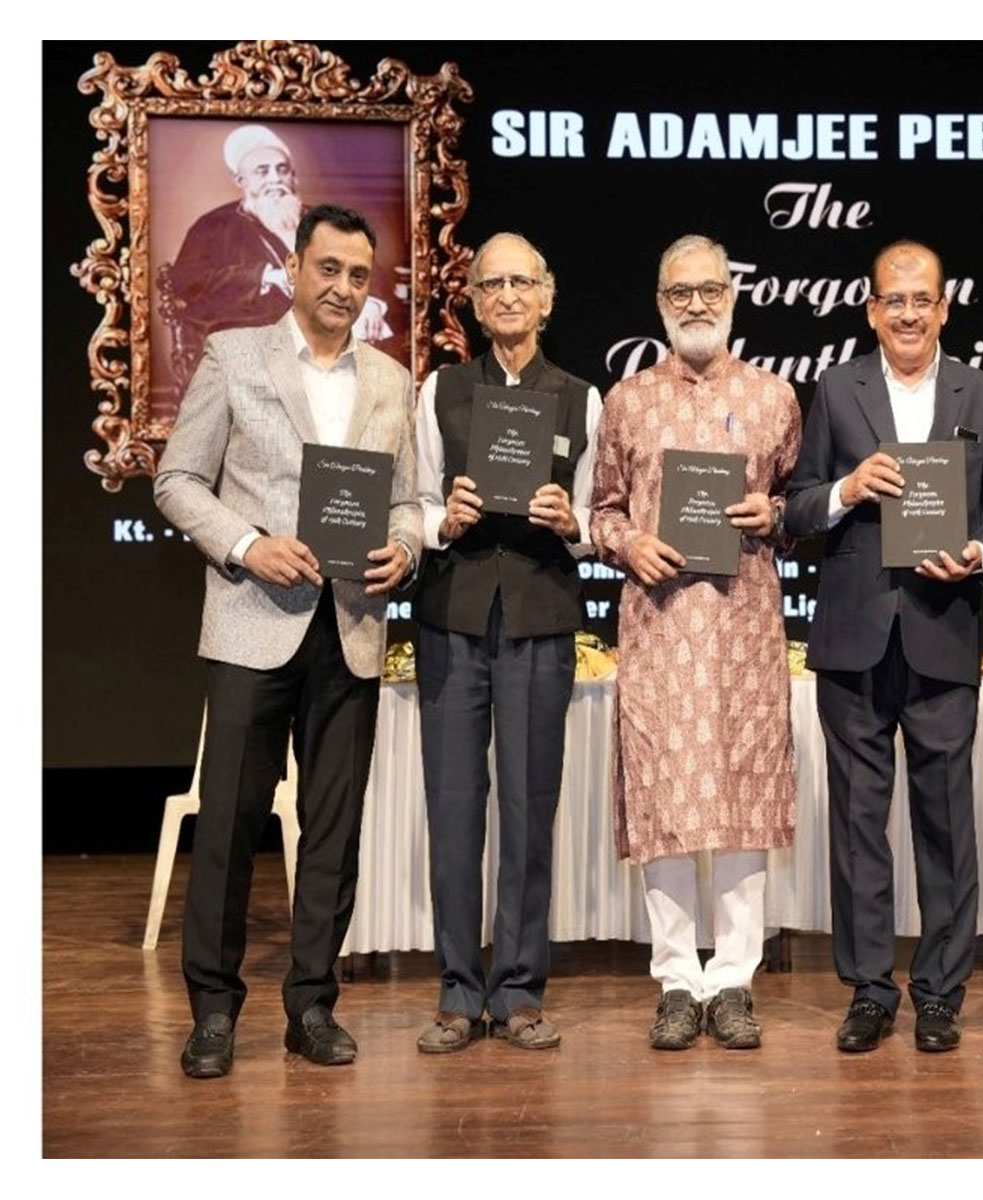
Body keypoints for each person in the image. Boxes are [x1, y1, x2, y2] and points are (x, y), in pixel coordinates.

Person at [154, 203, 421, 1078]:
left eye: (358, 275)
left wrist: (405, 549)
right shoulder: (235, 355)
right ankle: (213, 1009)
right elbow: (177, 480)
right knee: (229, 823)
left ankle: (311, 1005)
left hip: (351, 627)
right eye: (328, 268)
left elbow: (408, 502)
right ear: (297, 268)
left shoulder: (391, 378)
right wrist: (246, 544)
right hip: (251, 622)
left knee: (333, 829)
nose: (343, 287)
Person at [785, 240, 983, 1053]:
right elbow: (795, 506)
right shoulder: (836, 388)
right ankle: (868, 990)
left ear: (943, 308)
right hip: (853, 637)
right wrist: (846, 489)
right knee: (859, 824)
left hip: (942, 630)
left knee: (945, 822)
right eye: (894, 299)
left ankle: (938, 992)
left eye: (922, 298)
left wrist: (981, 551)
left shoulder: (980, 391)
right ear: (872, 311)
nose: (908, 312)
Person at [590, 234, 800, 1051]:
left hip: (745, 631)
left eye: (710, 289)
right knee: (665, 803)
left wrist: (772, 515)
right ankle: (678, 981)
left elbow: (798, 505)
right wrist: (628, 543)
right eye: (680, 293)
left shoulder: (774, 397)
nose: (697, 305)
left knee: (744, 802)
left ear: (732, 297)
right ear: (659, 303)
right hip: (660, 625)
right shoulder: (628, 400)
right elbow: (602, 509)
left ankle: (736, 981)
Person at [411, 233, 601, 1054]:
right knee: (454, 809)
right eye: (492, 284)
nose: (508, 295)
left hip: (538, 618)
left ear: (547, 297)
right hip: (453, 615)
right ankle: (459, 991)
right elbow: (414, 500)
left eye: (522, 281)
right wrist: (441, 520)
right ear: (475, 302)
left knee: (529, 810)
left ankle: (520, 989)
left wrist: (573, 522)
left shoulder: (580, 398)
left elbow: (597, 518)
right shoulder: (441, 389)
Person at [166, 125, 394, 391]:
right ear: (241, 181)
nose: (275, 179)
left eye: (282, 169)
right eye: (262, 172)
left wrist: (372, 303)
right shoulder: (214, 226)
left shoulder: (325, 221)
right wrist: (264, 277)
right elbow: (187, 281)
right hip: (255, 343)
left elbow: (369, 268)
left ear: (293, 176)